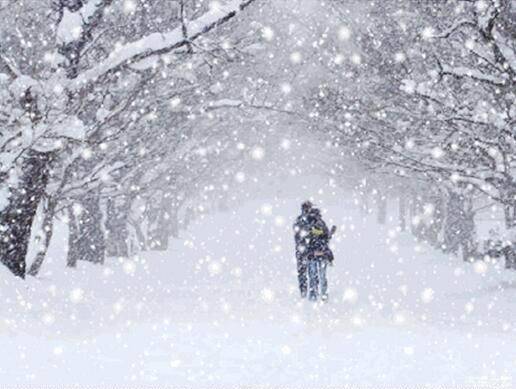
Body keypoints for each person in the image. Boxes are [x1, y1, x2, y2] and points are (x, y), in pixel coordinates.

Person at [293, 202, 336, 301]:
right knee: (310, 274)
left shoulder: (313, 222)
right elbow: (302, 235)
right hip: (308, 252)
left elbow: (324, 235)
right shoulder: (302, 221)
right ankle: (309, 294)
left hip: (311, 252)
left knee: (314, 275)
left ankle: (313, 295)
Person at [293, 201, 313, 298]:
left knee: (306, 271)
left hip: (305, 249)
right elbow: (299, 234)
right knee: (303, 271)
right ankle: (304, 290)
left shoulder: (305, 220)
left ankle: (306, 290)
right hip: (303, 249)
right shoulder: (301, 220)